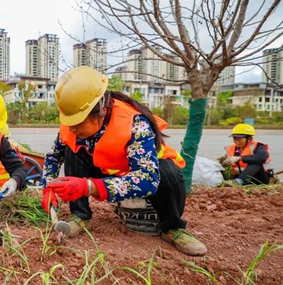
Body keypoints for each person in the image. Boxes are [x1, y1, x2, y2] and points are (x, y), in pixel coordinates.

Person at [40, 66, 207, 256]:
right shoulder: (72, 121)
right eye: (70, 122)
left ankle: (172, 227)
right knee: (73, 149)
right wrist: (48, 186)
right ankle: (80, 216)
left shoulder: (135, 123)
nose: (72, 129)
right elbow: (54, 156)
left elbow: (147, 180)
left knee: (168, 173)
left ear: (100, 110)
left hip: (141, 174)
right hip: (108, 171)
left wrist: (87, 186)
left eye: (78, 123)